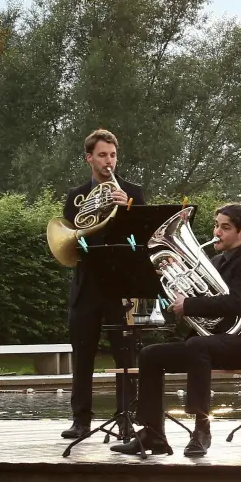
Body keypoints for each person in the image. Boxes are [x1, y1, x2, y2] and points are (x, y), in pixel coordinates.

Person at [117, 203, 241, 459]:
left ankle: (201, 430)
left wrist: (189, 304)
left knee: (197, 346)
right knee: (150, 354)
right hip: (210, 343)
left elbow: (238, 303)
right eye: (216, 226)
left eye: (225, 227)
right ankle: (152, 434)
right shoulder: (215, 261)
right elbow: (201, 306)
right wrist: (179, 296)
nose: (217, 232)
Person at [61, 128, 146, 440]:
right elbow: (71, 237)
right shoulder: (76, 195)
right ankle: (80, 420)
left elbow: (143, 236)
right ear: (89, 158)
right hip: (86, 285)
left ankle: (126, 418)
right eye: (102, 155)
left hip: (120, 285)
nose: (109, 161)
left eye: (112, 155)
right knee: (82, 356)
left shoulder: (133, 192)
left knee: (125, 357)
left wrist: (128, 209)